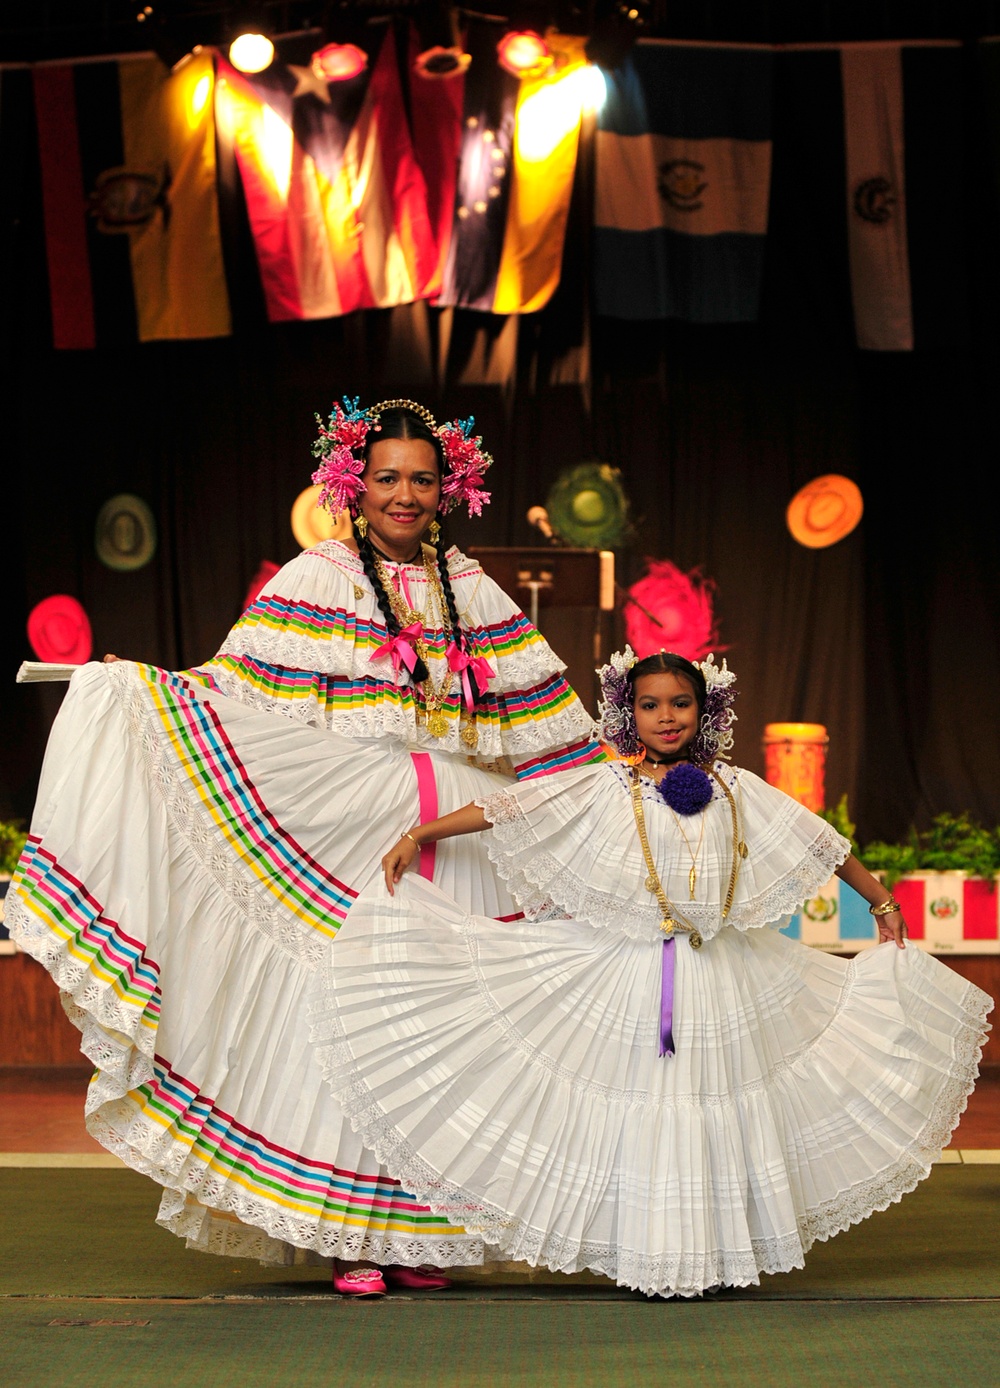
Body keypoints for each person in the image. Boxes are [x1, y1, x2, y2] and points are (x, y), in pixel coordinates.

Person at [7, 399, 604, 1297]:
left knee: (442, 1028)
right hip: (353, 822)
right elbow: (235, 692)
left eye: (422, 479)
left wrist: (620, 790)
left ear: (452, 487)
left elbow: (549, 725)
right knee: (354, 1018)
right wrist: (123, 689)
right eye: (387, 478)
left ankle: (421, 1231)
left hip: (463, 831)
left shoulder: (472, 588)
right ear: (352, 483)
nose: (405, 495)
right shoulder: (320, 576)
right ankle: (349, 1232)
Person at [313, 649, 993, 1299]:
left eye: (680, 704)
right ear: (626, 713)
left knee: (713, 1104)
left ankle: (715, 1251)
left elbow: (822, 842)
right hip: (632, 976)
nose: (666, 717)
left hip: (722, 976)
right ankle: (654, 1252)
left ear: (706, 711)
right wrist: (421, 834)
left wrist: (880, 900)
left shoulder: (737, 788)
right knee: (645, 1106)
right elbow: (511, 807)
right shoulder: (605, 785)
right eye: (650, 705)